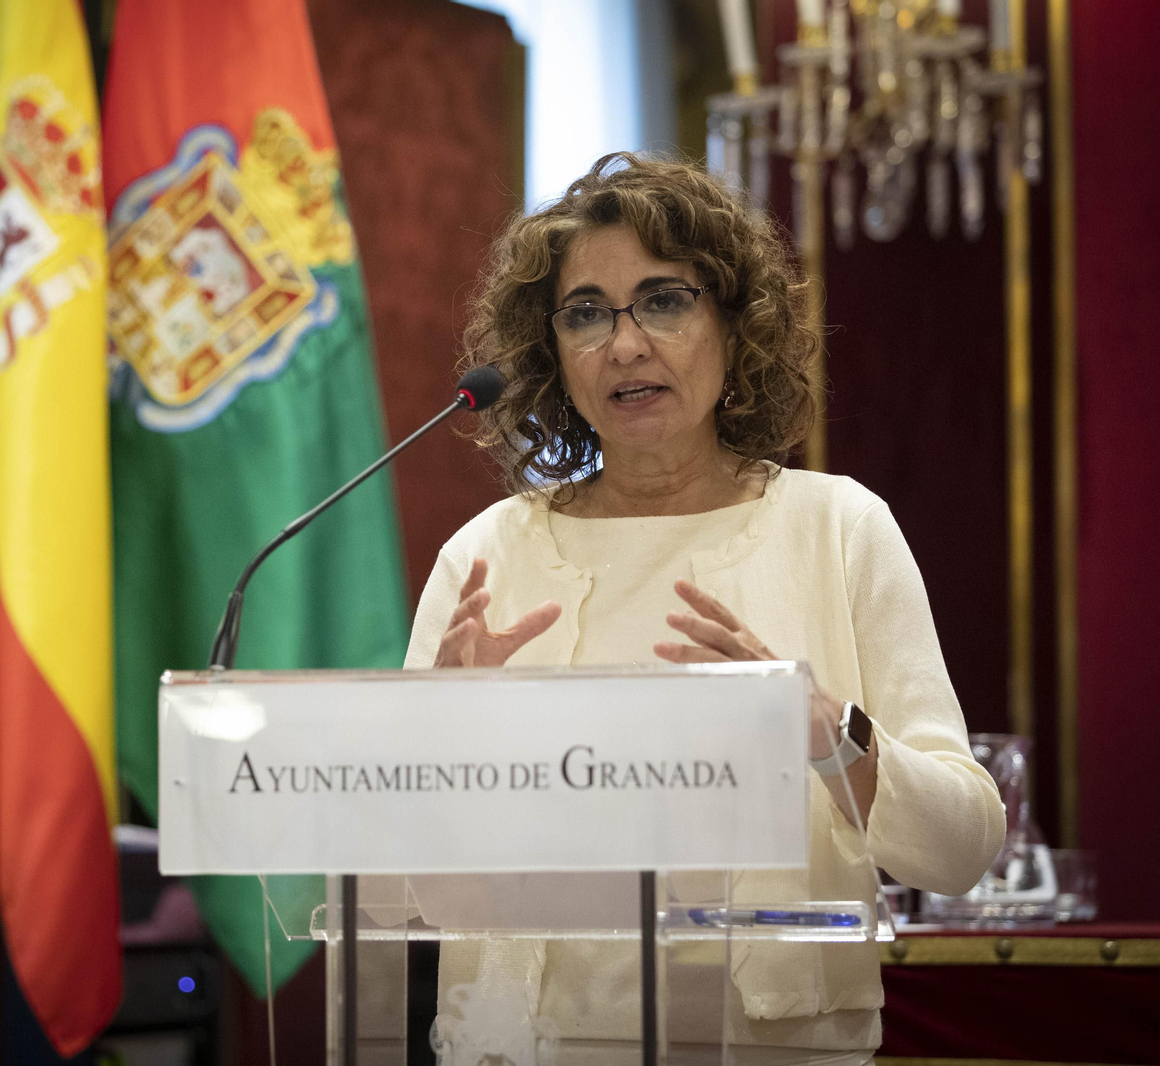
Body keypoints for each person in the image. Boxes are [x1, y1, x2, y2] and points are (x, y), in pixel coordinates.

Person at [404, 153, 1005, 1062]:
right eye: (586, 314)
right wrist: (437, 757)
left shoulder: (837, 530)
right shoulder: (487, 554)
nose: (625, 344)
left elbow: (962, 851)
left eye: (664, 300)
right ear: (550, 351)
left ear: (736, 325)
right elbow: (419, 895)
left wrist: (828, 733)